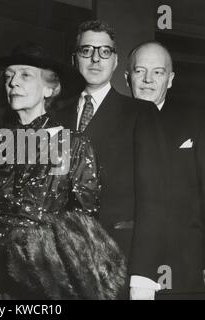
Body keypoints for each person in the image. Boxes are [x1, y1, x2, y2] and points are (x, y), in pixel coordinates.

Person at [0, 42, 126, 300]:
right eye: (8, 76)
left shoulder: (73, 144)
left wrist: (36, 262)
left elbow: (83, 224)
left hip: (45, 280)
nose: (13, 83)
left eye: (25, 75)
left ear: (50, 88)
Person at [54, 20, 168, 299]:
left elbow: (153, 199)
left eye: (104, 51)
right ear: (74, 59)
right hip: (60, 265)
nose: (95, 58)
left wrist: (143, 277)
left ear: (116, 61)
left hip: (118, 264)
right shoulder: (55, 116)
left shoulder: (140, 113)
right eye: (86, 51)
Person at [125, 41, 205, 298]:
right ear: (127, 77)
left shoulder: (195, 122)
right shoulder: (113, 124)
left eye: (158, 72)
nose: (148, 80)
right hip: (123, 264)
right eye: (140, 71)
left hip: (183, 266)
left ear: (170, 79)